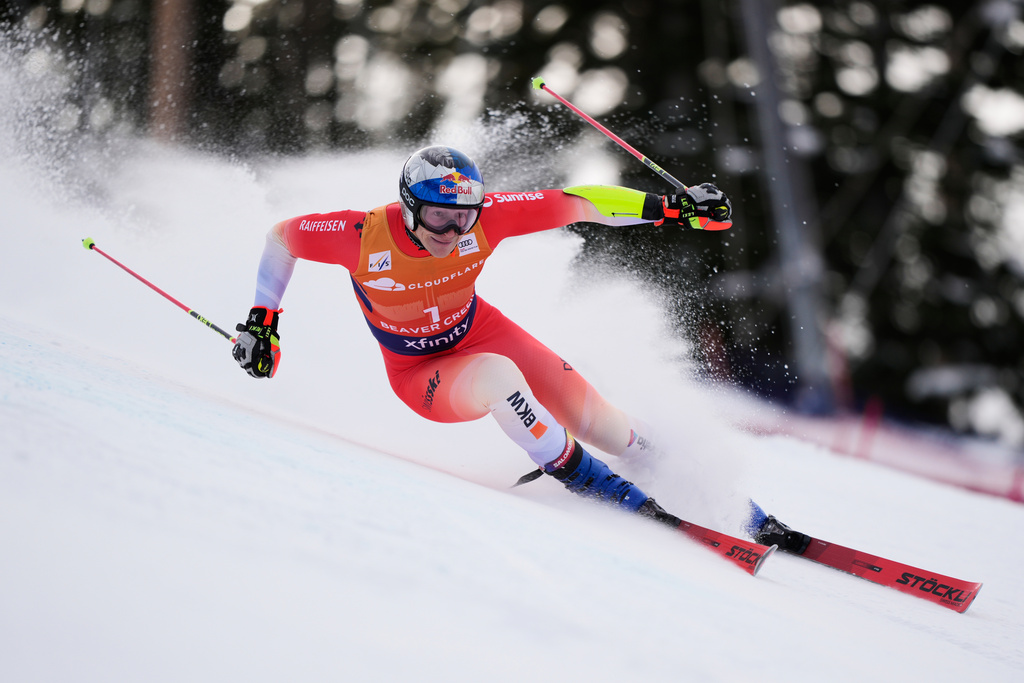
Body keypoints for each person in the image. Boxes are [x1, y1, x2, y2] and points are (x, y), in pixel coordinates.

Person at [232, 145, 809, 550]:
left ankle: (705, 489)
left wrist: (672, 208)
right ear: (409, 205)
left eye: (463, 218)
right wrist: (263, 320)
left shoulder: (484, 221)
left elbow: (580, 200)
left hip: (479, 327)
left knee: (599, 418)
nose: (452, 232)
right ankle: (584, 477)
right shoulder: (360, 235)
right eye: (437, 216)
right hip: (420, 371)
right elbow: (282, 238)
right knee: (499, 376)